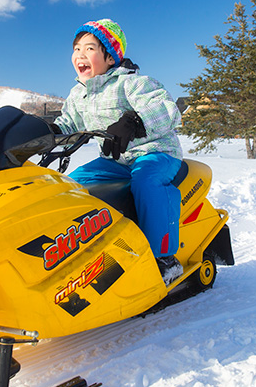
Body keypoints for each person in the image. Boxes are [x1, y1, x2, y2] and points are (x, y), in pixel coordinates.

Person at [53, 19, 184, 283]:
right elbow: (68, 126)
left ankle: (165, 259)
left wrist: (135, 121)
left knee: (147, 181)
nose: (80, 55)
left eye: (89, 48)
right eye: (76, 49)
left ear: (110, 58)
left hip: (156, 152)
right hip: (116, 161)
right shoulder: (78, 96)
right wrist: (45, 132)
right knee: (72, 185)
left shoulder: (133, 84)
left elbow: (168, 111)